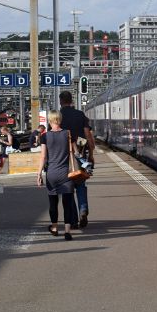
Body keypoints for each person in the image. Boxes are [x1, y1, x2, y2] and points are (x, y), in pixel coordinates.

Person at [36, 110, 77, 240]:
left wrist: (38, 174)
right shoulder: (68, 134)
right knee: (67, 203)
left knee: (53, 203)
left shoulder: (45, 136)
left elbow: (43, 157)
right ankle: (67, 231)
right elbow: (75, 152)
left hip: (51, 174)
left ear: (49, 120)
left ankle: (54, 228)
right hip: (67, 173)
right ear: (60, 119)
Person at [59, 90, 95, 228]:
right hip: (81, 150)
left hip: (64, 155)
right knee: (81, 183)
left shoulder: (59, 116)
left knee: (68, 188)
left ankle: (73, 220)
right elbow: (87, 134)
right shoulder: (80, 114)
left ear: (61, 101)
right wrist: (91, 154)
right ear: (71, 100)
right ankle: (83, 209)